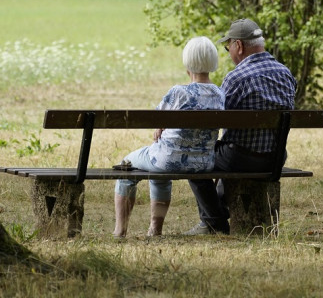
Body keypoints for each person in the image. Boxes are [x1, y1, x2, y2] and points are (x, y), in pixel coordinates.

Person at [185, 18, 297, 235]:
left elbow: (215, 120)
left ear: (239, 45)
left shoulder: (236, 78)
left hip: (241, 158)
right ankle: (215, 216)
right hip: (275, 158)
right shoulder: (286, 74)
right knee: (227, 152)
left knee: (193, 157)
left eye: (228, 48)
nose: (229, 53)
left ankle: (213, 222)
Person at [113, 36, 225, 238]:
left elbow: (156, 118)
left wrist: (160, 126)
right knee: (158, 168)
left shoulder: (178, 92)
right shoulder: (219, 94)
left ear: (187, 63)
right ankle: (154, 230)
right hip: (203, 163)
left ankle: (120, 231)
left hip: (168, 160)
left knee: (126, 165)